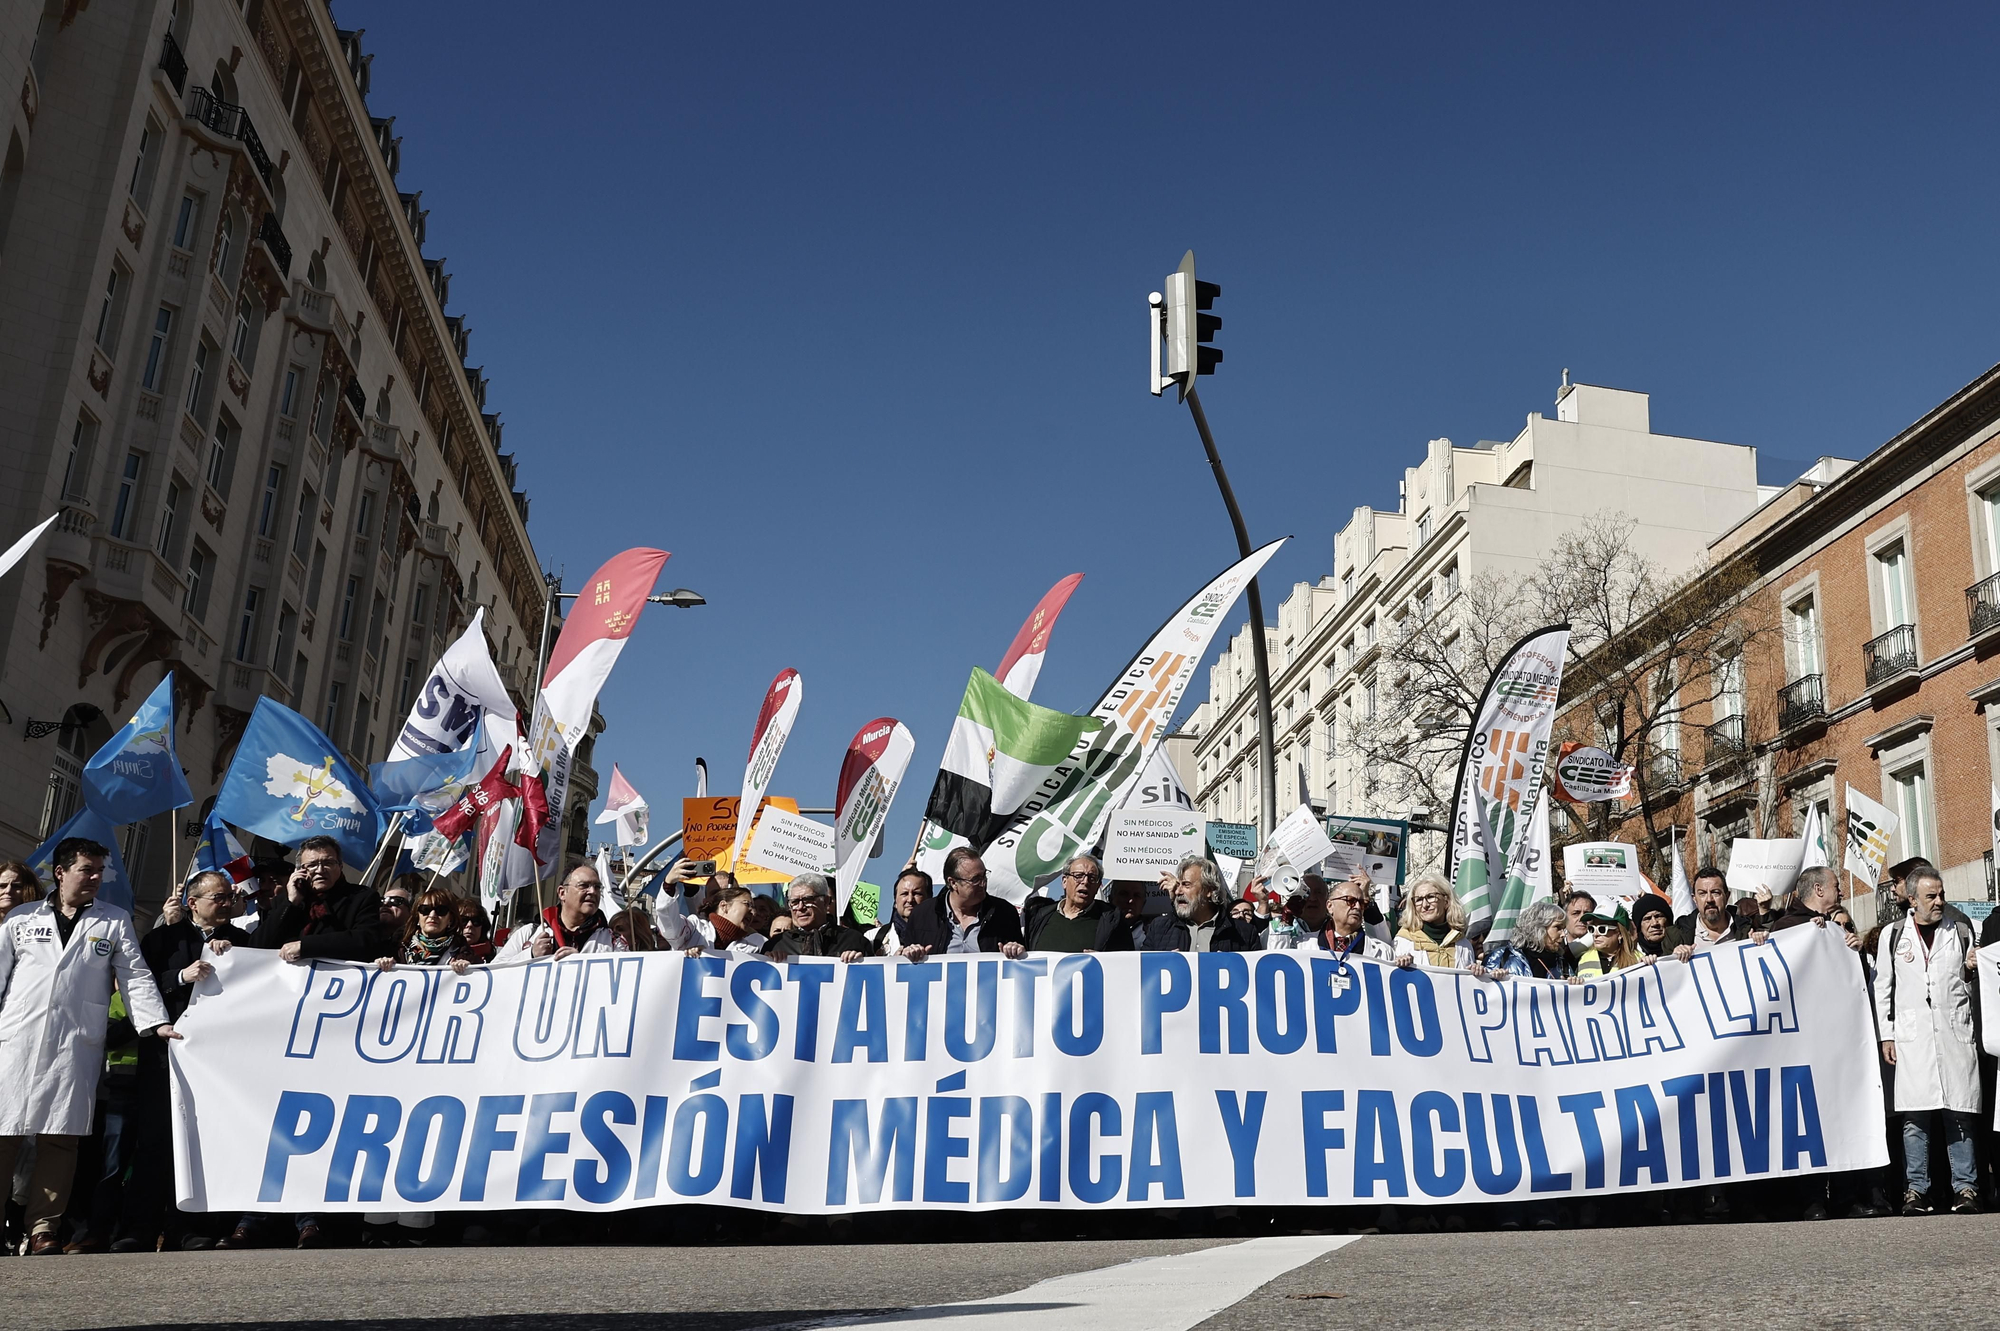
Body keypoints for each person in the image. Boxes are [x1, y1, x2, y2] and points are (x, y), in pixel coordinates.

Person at [0, 838, 175, 1255]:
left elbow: (133, 973)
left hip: (74, 1043)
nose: (96, 878)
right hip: (17, 1039)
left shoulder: (113, 920)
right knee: (3, 1134)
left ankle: (43, 1228)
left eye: (99, 870)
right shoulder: (22, 918)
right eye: (87, 870)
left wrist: (155, 1022)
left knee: (61, 1137)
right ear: (61, 873)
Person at [119, 872, 250, 1252]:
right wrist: (180, 976)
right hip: (165, 1055)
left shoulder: (242, 942)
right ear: (193, 902)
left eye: (228, 897)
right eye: (218, 898)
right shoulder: (162, 939)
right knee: (155, 1142)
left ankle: (189, 1227)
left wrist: (234, 959)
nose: (226, 903)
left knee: (200, 1143)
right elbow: (138, 988)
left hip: (216, 1060)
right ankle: (140, 1228)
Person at [1876, 867, 1982, 1215]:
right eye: (1931, 896)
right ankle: (1916, 1190)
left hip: (1954, 1032)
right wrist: (1886, 1035)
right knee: (1915, 1118)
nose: (1939, 901)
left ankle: (1965, 1188)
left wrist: (1971, 969)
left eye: (1941, 895)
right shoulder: (1893, 935)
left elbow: (1967, 985)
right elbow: (1883, 988)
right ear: (1912, 899)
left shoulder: (1960, 930)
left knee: (1959, 1114)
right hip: (1913, 1037)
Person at [249, 836, 390, 963]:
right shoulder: (284, 901)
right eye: (312, 865)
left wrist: (305, 946)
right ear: (300, 871)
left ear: (340, 866)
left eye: (328, 863)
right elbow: (256, 945)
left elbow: (366, 940)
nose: (320, 870)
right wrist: (291, 903)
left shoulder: (362, 897)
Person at [893, 849, 1027, 959]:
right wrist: (910, 953)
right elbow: (907, 965)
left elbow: (1020, 965)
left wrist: (1016, 950)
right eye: (975, 879)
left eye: (984, 876)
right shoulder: (922, 915)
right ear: (953, 883)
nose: (983, 883)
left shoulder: (1004, 913)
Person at [498, 862, 628, 959]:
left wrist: (582, 963)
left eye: (597, 887)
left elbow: (623, 982)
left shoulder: (614, 942)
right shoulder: (529, 933)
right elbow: (494, 972)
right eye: (584, 885)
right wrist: (531, 954)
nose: (593, 891)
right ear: (562, 893)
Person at [1143, 856, 1262, 952]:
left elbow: (1254, 973)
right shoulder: (1159, 928)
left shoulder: (1244, 933)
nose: (1178, 891)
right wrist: (1164, 963)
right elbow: (1143, 971)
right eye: (1178, 884)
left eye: (1186, 885)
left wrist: (1229, 965)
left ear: (1209, 890)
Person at [1022, 855, 1131, 953]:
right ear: (1064, 881)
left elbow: (1126, 963)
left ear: (1098, 886)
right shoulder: (1038, 917)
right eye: (1078, 876)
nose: (1085, 881)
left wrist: (1103, 962)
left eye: (1092, 878)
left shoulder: (1113, 921)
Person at [764, 873, 875, 961]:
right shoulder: (775, 945)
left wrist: (860, 963)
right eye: (794, 902)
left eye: (808, 900)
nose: (800, 907)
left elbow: (872, 978)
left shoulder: (853, 940)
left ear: (826, 901)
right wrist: (767, 962)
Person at [1667, 867, 1760, 957]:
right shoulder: (1676, 936)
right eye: (1702, 893)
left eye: (1715, 892)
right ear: (1694, 899)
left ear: (1727, 896)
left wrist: (1759, 942)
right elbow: (1663, 965)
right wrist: (1673, 959)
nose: (1709, 899)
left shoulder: (1747, 930)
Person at [1392, 874, 1474, 969]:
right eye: (1419, 900)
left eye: (1430, 897)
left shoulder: (1463, 944)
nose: (1425, 905)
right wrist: (1400, 966)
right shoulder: (1403, 941)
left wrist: (1478, 972)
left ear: (1446, 901)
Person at [1307, 873, 1394, 960]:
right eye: (1350, 901)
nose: (1358, 907)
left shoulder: (1384, 952)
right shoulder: (1303, 946)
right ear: (1330, 906)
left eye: (1362, 903)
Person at [1480, 899, 1573, 979]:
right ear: (1539, 928)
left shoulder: (1562, 966)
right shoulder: (1501, 957)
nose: (1563, 934)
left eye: (1564, 929)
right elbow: (1485, 988)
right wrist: (1494, 978)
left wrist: (1574, 985)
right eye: (1558, 927)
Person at [687, 885, 769, 957]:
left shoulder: (753, 950)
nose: (753, 913)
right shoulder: (694, 928)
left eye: (753, 907)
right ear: (724, 906)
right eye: (747, 904)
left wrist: (771, 957)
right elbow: (677, 926)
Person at [867, 868, 933, 953]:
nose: (910, 899)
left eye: (916, 893)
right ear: (895, 901)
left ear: (929, 898)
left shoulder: (942, 936)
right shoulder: (872, 938)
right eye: (904, 894)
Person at [1265, 873, 1334, 950]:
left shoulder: (1337, 928)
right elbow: (1276, 956)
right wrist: (1286, 923)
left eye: (1318, 892)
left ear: (1327, 897)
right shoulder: (1276, 927)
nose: (1312, 898)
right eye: (1307, 892)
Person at [1575, 904, 1639, 977]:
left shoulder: (1638, 960)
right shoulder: (1584, 959)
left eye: (1602, 929)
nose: (1595, 934)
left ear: (1620, 933)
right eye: (1592, 928)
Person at [1107, 879, 1153, 951]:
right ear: (1111, 899)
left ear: (1143, 903)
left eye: (1137, 895)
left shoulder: (1153, 933)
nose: (1130, 901)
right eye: (1124, 894)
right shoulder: (1099, 929)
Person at [1630, 895, 1674, 960]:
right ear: (1639, 927)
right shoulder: (1631, 958)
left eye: (1658, 916)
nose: (1654, 923)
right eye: (1647, 918)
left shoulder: (1685, 943)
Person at [1563, 889, 1597, 957]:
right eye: (1576, 913)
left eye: (1587, 914)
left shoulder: (1602, 951)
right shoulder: (1554, 947)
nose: (1582, 918)